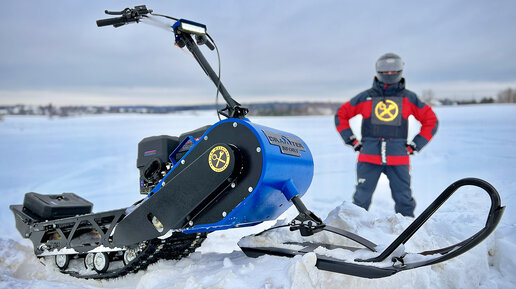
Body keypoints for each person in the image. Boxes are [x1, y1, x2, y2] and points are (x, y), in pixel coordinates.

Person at [334, 53, 438, 217]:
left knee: (404, 200)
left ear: (400, 70)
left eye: (393, 69)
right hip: (368, 156)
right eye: (385, 70)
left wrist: (416, 144)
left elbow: (431, 121)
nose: (389, 73)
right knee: (360, 201)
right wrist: (351, 140)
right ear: (377, 71)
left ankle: (408, 233)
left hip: (398, 156)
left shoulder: (409, 98)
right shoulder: (366, 97)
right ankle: (353, 233)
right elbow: (341, 115)